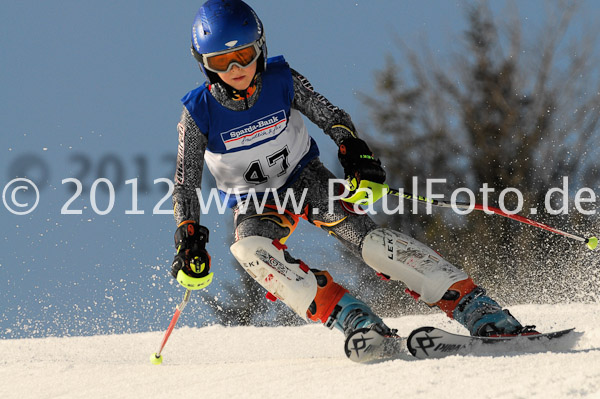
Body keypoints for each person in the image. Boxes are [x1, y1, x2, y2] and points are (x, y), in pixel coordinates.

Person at [170, 0, 535, 360]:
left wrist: (353, 148)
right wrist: (188, 236)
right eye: (220, 61)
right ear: (203, 63)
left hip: (304, 180)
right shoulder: (198, 111)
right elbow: (185, 182)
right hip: (254, 201)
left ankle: (478, 308)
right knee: (250, 250)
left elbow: (331, 115)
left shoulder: (280, 80)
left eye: (245, 55)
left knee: (372, 244)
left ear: (260, 48)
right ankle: (354, 319)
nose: (235, 68)